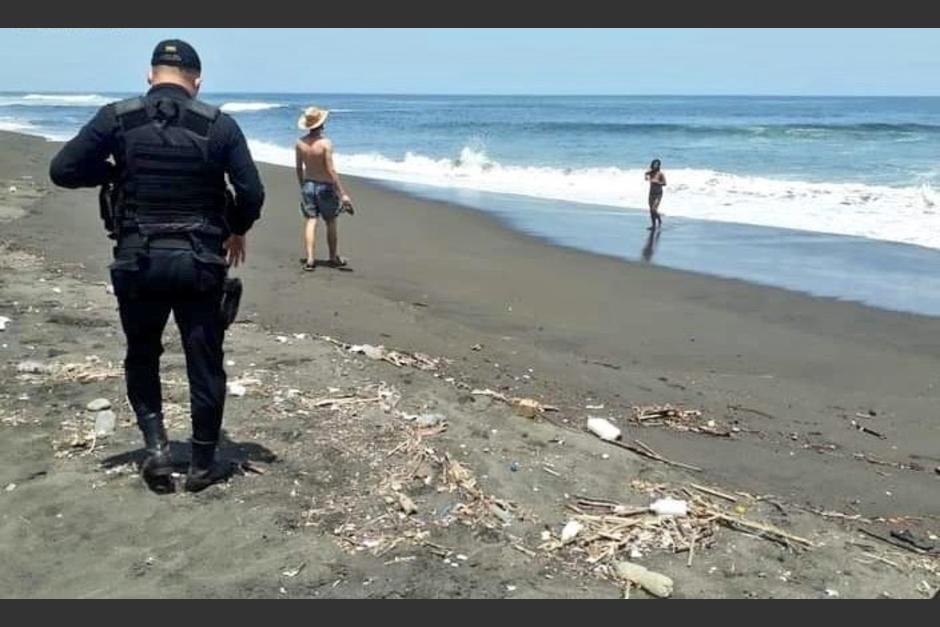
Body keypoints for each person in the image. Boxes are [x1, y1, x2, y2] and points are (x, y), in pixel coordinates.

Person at [49, 39, 265, 493]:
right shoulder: (220, 127)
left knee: (142, 352)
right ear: (197, 81)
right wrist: (236, 228)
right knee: (204, 360)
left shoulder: (118, 118)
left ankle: (156, 448)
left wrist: (111, 173)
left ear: (151, 76)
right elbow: (252, 192)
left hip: (138, 259)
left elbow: (63, 170)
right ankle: (203, 462)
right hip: (199, 261)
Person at [295, 107, 354, 272]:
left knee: (311, 221)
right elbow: (331, 170)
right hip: (325, 186)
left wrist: (302, 185)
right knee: (331, 221)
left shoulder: (300, 143)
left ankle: (310, 258)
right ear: (321, 124)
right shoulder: (325, 143)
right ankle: (333, 257)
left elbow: (299, 168)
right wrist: (342, 193)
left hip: (308, 184)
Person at [644, 158, 666, 230]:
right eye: (654, 164)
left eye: (657, 165)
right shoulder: (650, 172)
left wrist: (657, 182)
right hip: (651, 193)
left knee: (654, 209)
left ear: (659, 165)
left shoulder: (661, 174)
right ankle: (653, 225)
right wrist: (646, 177)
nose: (655, 166)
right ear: (652, 165)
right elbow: (645, 174)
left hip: (658, 194)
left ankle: (659, 218)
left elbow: (665, 183)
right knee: (651, 210)